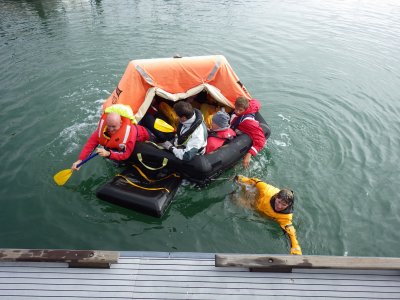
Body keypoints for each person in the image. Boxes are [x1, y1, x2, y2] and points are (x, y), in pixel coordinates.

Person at [234, 175, 302, 255]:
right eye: (279, 202)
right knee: (235, 199)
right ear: (276, 197)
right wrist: (240, 179)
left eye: (284, 205)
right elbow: (256, 181)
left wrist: (295, 247)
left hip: (261, 214)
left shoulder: (286, 216)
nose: (279, 206)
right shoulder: (266, 190)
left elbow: (290, 231)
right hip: (254, 201)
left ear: (288, 205)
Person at [71, 105, 150, 170]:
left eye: (114, 126)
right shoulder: (103, 129)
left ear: (121, 123)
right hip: (118, 147)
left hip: (140, 140)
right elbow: (90, 144)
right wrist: (80, 160)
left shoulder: (129, 133)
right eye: (109, 126)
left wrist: (108, 154)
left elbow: (126, 154)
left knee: (125, 163)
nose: (111, 129)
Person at [230, 96, 266, 169]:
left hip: (242, 133)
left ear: (246, 109)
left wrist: (249, 154)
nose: (237, 112)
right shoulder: (251, 106)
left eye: (240, 110)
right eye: (236, 109)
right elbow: (256, 103)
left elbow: (261, 140)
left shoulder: (247, 122)